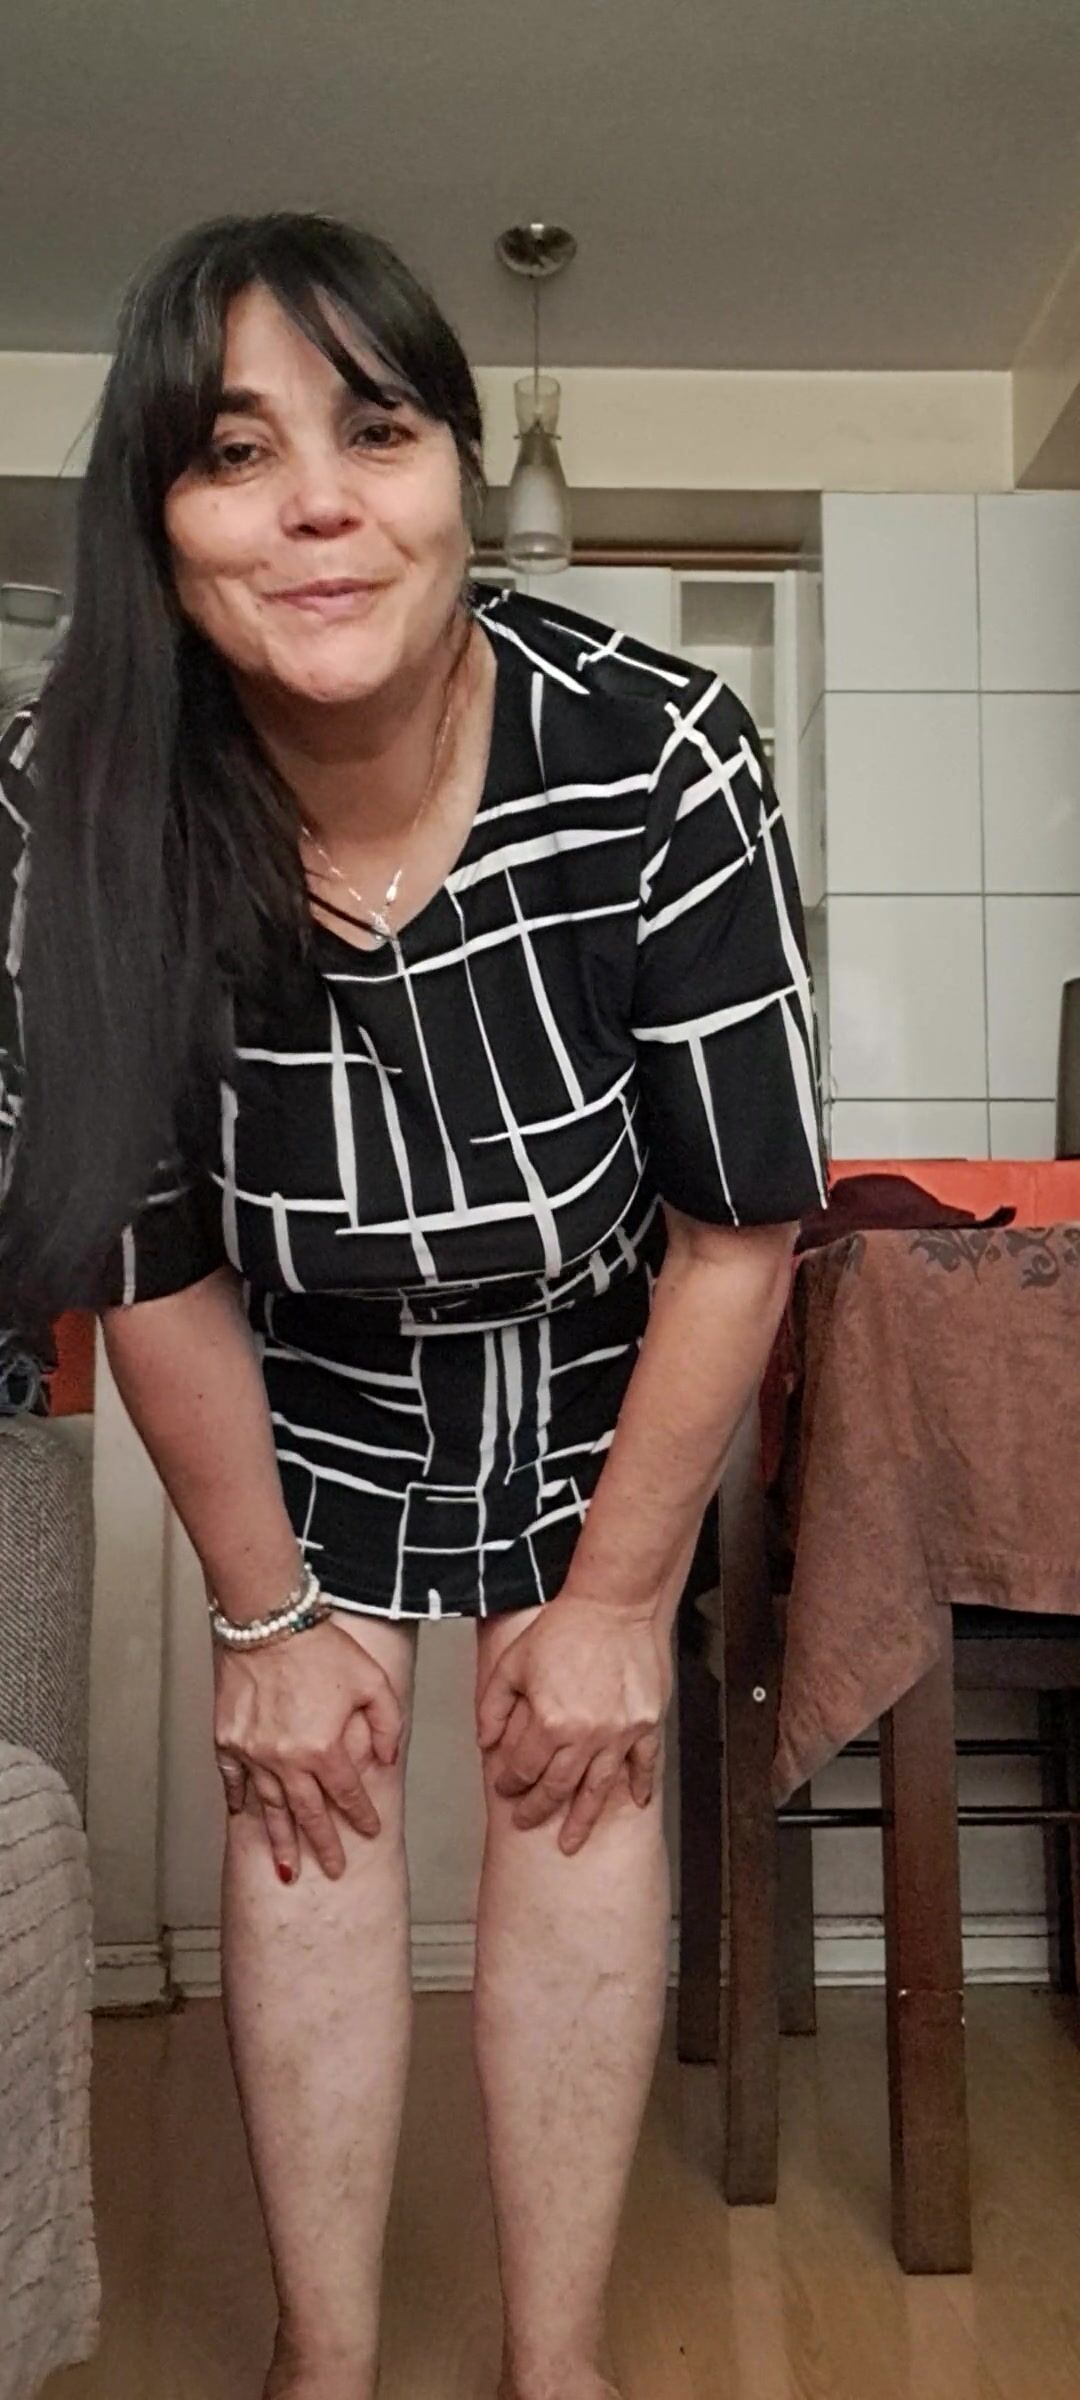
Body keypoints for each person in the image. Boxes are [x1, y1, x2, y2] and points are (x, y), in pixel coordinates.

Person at [0, 213, 826, 2400]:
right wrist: (265, 1624)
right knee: (304, 1787)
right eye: (233, 453)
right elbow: (144, 1247)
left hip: (600, 1328)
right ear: (158, 522)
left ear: (459, 466)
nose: (316, 507)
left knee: (584, 1772)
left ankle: (557, 2366)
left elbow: (740, 1224)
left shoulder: (658, 752)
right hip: (292, 1338)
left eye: (374, 432)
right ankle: (325, 2363)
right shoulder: (76, 795)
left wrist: (618, 1601)